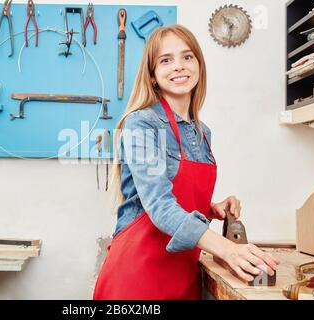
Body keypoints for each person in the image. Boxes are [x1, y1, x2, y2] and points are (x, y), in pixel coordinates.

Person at [93, 24, 279, 300]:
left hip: (182, 274)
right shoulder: (141, 124)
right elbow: (159, 206)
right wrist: (227, 249)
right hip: (137, 278)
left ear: (199, 66)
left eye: (187, 57)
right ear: (153, 75)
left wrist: (211, 207)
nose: (178, 66)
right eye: (166, 60)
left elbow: (181, 194)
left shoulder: (203, 132)